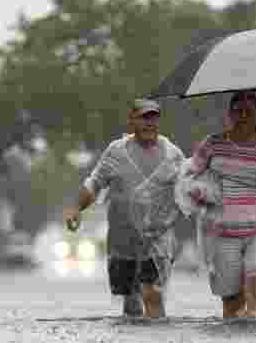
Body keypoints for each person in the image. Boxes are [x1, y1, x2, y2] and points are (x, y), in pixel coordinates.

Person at [178, 90, 256, 318]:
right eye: (238, 111)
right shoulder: (213, 144)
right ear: (229, 114)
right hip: (223, 231)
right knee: (232, 309)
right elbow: (188, 176)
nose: (243, 115)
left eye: (249, 111)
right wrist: (198, 192)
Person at [63, 98, 185, 317]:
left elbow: (187, 190)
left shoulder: (173, 155)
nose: (149, 123)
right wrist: (76, 208)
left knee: (152, 291)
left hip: (158, 239)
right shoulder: (116, 151)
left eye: (154, 118)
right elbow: (94, 183)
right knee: (131, 299)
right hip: (123, 237)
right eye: (143, 118)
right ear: (131, 121)